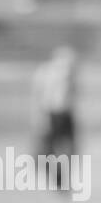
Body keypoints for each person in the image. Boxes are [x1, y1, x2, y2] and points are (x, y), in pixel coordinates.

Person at [32, 45, 80, 192]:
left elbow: (71, 97)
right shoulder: (47, 74)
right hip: (52, 114)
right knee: (49, 150)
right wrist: (41, 117)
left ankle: (61, 181)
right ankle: (55, 181)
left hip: (65, 115)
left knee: (69, 149)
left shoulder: (70, 76)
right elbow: (40, 97)